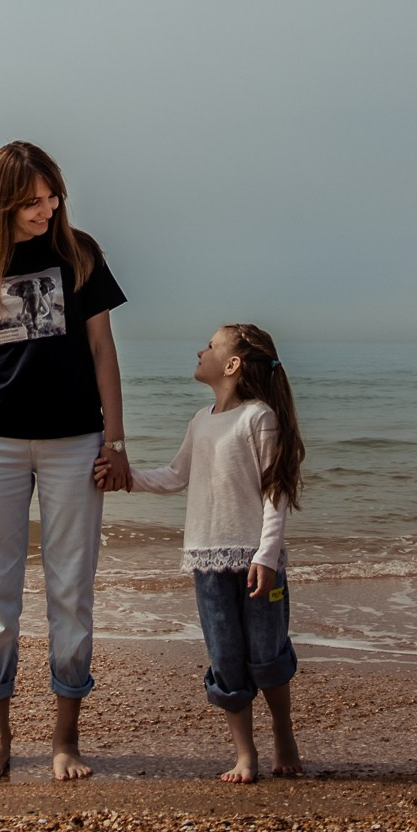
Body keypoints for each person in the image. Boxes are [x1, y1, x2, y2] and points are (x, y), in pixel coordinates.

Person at [0, 141, 130, 782]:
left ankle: (66, 741)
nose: (49, 209)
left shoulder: (80, 254)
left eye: (53, 197)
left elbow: (102, 352)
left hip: (75, 444)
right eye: (34, 201)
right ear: (3, 202)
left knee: (72, 591)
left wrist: (115, 442)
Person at [99, 322, 305, 783]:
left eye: (210, 346)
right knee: (226, 658)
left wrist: (268, 556)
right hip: (206, 560)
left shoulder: (259, 418)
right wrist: (125, 475)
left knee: (266, 655)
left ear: (232, 365)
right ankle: (244, 753)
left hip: (256, 561)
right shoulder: (201, 419)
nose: (200, 350)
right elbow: (176, 475)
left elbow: (275, 493)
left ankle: (283, 731)